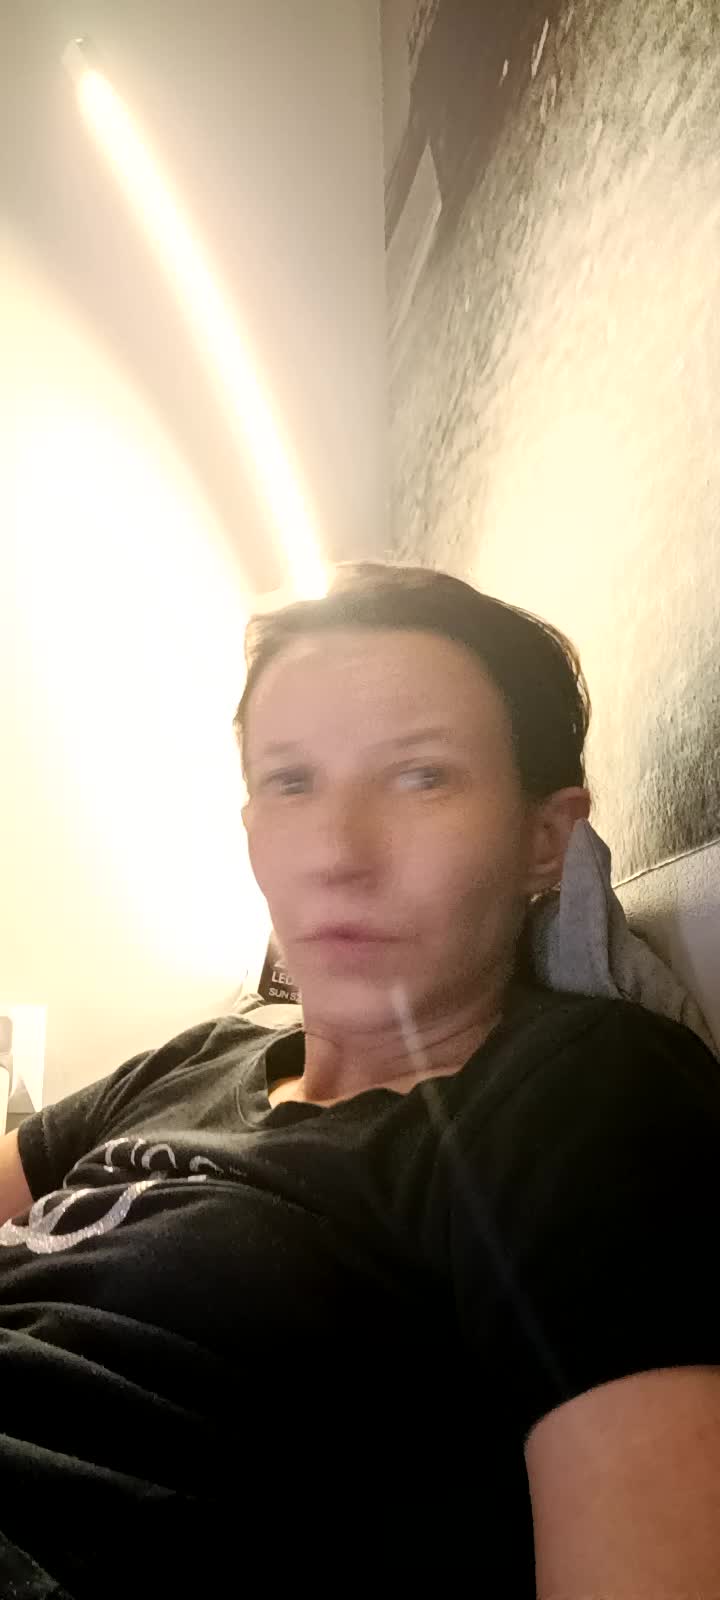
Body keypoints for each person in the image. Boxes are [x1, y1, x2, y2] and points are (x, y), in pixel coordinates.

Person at [0, 560, 718, 1597]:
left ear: (546, 839)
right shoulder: (195, 1058)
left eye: (421, 777)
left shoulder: (584, 1095)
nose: (337, 853)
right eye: (292, 783)